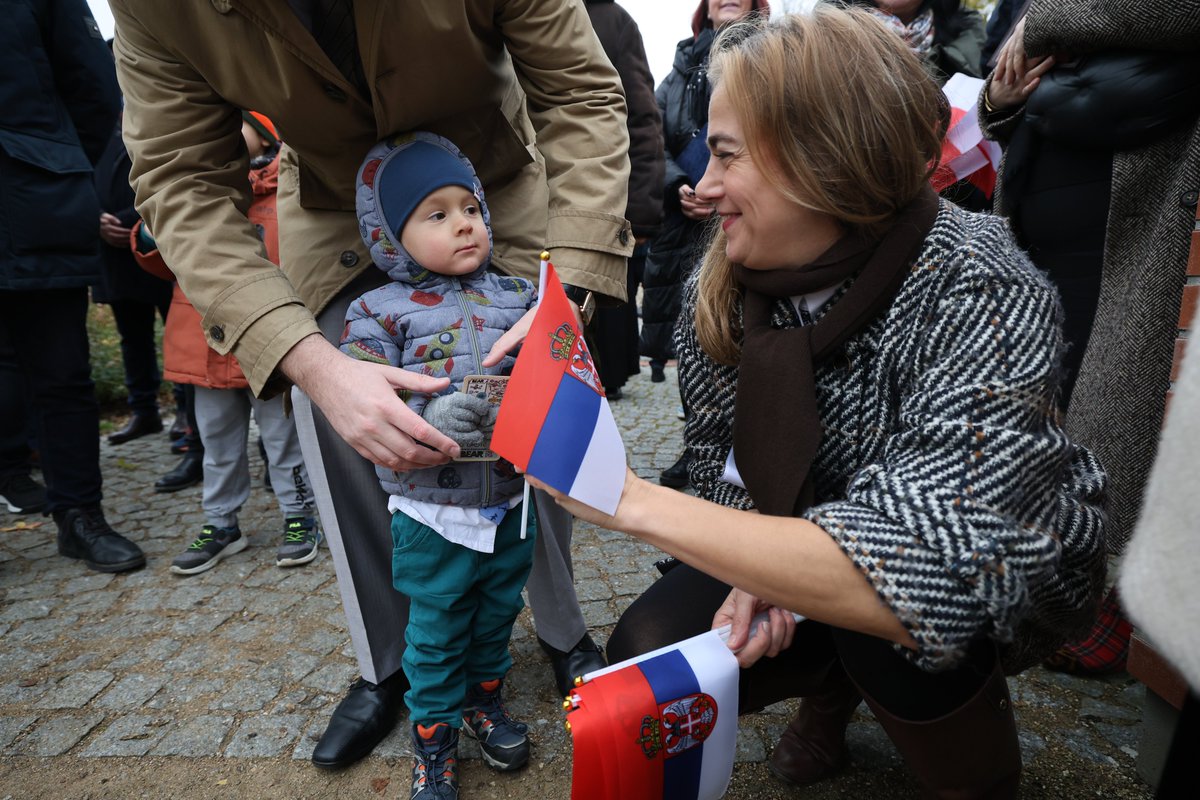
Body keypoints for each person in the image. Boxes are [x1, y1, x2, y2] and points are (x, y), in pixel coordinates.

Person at [531, 8, 1106, 797]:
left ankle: (977, 773)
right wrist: (759, 566)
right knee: (648, 647)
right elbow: (723, 469)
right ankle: (831, 686)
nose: (703, 187)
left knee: (892, 639)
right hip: (813, 530)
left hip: (981, 561)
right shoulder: (721, 289)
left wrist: (628, 500)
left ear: (824, 156)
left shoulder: (981, 281)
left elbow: (936, 565)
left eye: (725, 154)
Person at [110, 0, 631, 770]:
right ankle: (387, 661)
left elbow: (579, 89)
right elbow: (180, 174)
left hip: (488, 178)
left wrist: (570, 288)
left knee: (533, 399)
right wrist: (310, 362)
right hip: (330, 204)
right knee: (338, 421)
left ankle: (564, 629)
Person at [981, 0, 1200, 674]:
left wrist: (1044, 21)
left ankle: (1108, 589)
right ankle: (1039, 571)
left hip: (1128, 204)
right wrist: (999, 98)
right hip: (1039, 200)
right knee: (1038, 395)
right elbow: (1011, 79)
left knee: (1112, 398)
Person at [341, 132, 538, 800]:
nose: (463, 224)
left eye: (471, 208)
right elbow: (365, 396)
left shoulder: (520, 295)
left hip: (511, 499)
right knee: (435, 630)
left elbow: (560, 363)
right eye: (437, 213)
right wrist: (429, 417)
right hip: (430, 512)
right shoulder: (374, 311)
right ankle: (434, 740)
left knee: (498, 611)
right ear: (391, 238)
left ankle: (485, 702)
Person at [132, 112, 322, 574]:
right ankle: (222, 523)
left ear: (266, 134)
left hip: (269, 342)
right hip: (206, 343)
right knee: (216, 441)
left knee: (282, 439)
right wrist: (151, 232)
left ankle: (300, 515)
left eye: (235, 121)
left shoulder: (289, 191)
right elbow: (163, 263)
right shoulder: (192, 190)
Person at [0, 0, 144, 573]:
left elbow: (94, 88)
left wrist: (53, 161)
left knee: (60, 374)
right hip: (39, 189)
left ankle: (80, 516)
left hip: (34, 199)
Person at [643, 0, 769, 490]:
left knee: (745, 325)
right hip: (684, 222)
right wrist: (679, 184)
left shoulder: (778, 56)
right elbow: (653, 138)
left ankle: (748, 440)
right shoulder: (678, 71)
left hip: (748, 216)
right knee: (692, 326)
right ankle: (701, 441)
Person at [92, 71, 178, 448]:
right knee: (132, 337)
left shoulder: (158, 114)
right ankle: (144, 411)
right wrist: (95, 218)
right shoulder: (96, 127)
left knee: (175, 330)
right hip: (112, 254)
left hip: (157, 244)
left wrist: (130, 221)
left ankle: (187, 413)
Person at [584, 0, 665, 402]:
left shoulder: (616, 22)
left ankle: (607, 377)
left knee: (606, 295)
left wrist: (644, 210)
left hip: (600, 189)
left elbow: (642, 119)